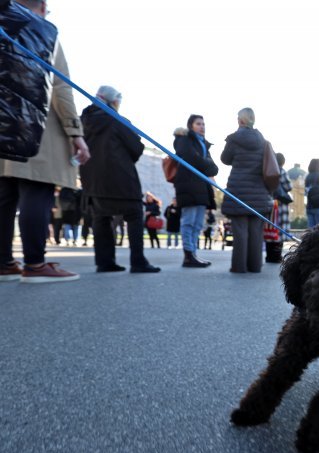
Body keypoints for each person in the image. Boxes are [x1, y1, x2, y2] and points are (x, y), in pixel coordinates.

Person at [0, 0, 90, 282]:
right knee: (36, 189)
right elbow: (60, 86)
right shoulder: (43, 30)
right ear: (41, 7)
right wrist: (75, 132)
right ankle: (36, 264)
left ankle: (3, 262)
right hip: (37, 126)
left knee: (4, 195)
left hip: (3, 126)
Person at [80, 85, 159, 274]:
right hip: (120, 177)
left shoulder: (82, 121)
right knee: (134, 214)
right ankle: (138, 261)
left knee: (101, 217)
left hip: (92, 178)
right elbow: (136, 148)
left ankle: (105, 262)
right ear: (114, 101)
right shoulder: (117, 121)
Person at [220, 107, 273, 274]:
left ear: (240, 120)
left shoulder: (234, 139)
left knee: (240, 232)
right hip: (259, 193)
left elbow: (225, 159)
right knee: (256, 233)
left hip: (238, 191)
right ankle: (255, 266)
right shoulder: (263, 141)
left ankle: (239, 267)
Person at [173, 114, 218, 268]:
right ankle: (188, 255)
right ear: (190, 125)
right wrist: (204, 163)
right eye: (198, 123)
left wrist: (203, 162)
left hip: (201, 188)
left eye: (204, 124)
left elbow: (214, 168)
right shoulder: (183, 139)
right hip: (188, 185)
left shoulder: (204, 144)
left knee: (198, 224)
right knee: (188, 221)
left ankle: (193, 254)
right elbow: (190, 157)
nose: (202, 126)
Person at [266, 152, 292, 264]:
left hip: (270, 203)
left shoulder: (268, 170)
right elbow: (288, 187)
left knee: (270, 229)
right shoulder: (282, 171)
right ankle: (277, 257)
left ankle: (269, 256)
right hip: (280, 205)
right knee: (279, 231)